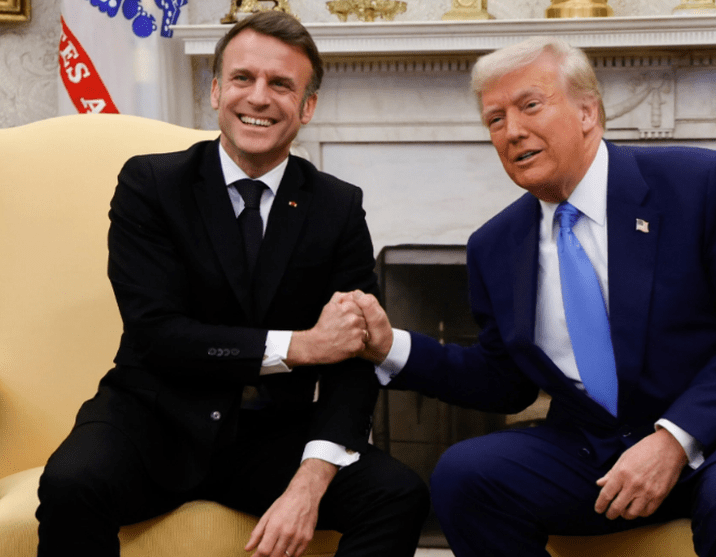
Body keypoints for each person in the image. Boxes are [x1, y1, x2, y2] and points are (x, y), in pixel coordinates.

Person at [349, 36, 716, 557]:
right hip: (605, 445)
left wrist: (674, 439)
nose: (512, 131)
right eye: (495, 120)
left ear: (587, 112)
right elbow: (505, 382)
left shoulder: (700, 183)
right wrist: (391, 348)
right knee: (466, 476)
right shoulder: (495, 245)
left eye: (530, 105)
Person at [35, 11, 428, 557]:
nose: (259, 97)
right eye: (243, 78)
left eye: (281, 84)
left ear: (307, 106)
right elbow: (157, 334)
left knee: (397, 494)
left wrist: (311, 479)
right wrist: (301, 346)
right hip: (153, 422)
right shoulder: (150, 184)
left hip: (271, 434)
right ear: (216, 90)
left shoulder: (337, 206)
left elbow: (354, 358)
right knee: (70, 485)